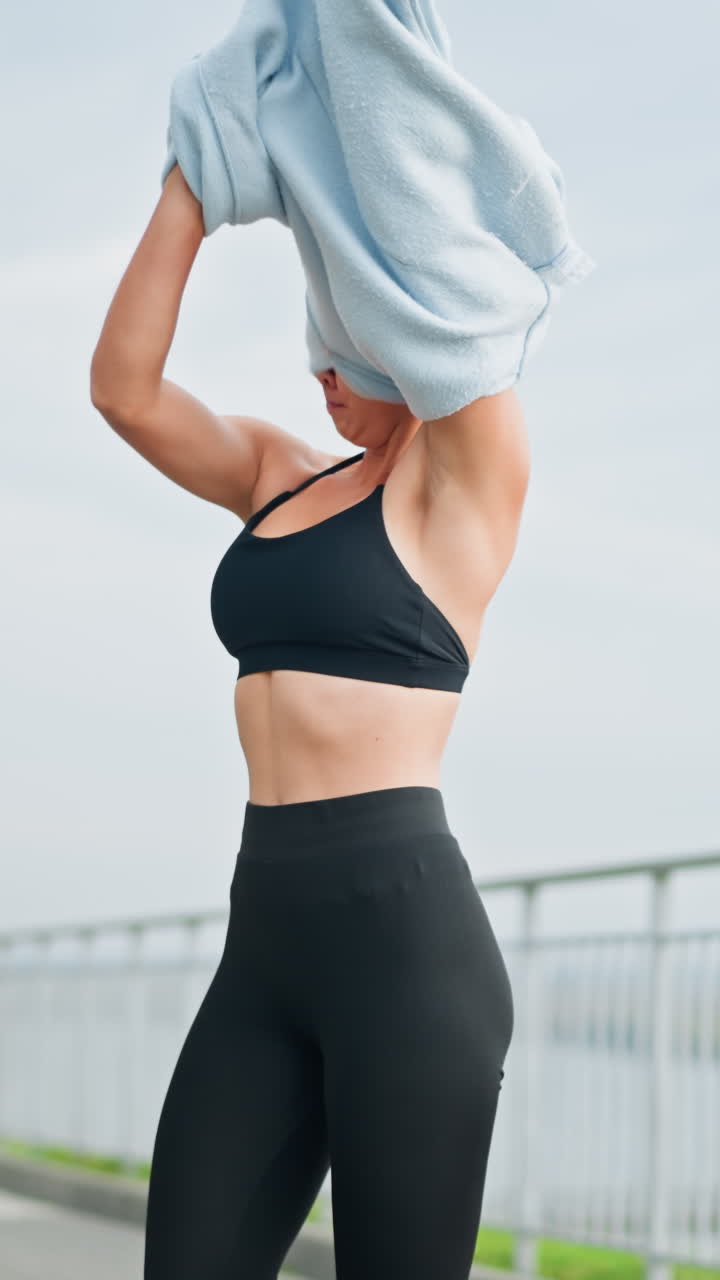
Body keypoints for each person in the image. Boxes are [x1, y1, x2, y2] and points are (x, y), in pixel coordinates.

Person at [91, 162, 519, 1279]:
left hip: (408, 959)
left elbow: (464, 301)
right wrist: (199, 175)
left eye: (353, 352)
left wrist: (366, 159)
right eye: (314, 352)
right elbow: (125, 390)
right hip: (265, 947)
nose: (327, 375)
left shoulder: (460, 489)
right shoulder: (282, 476)